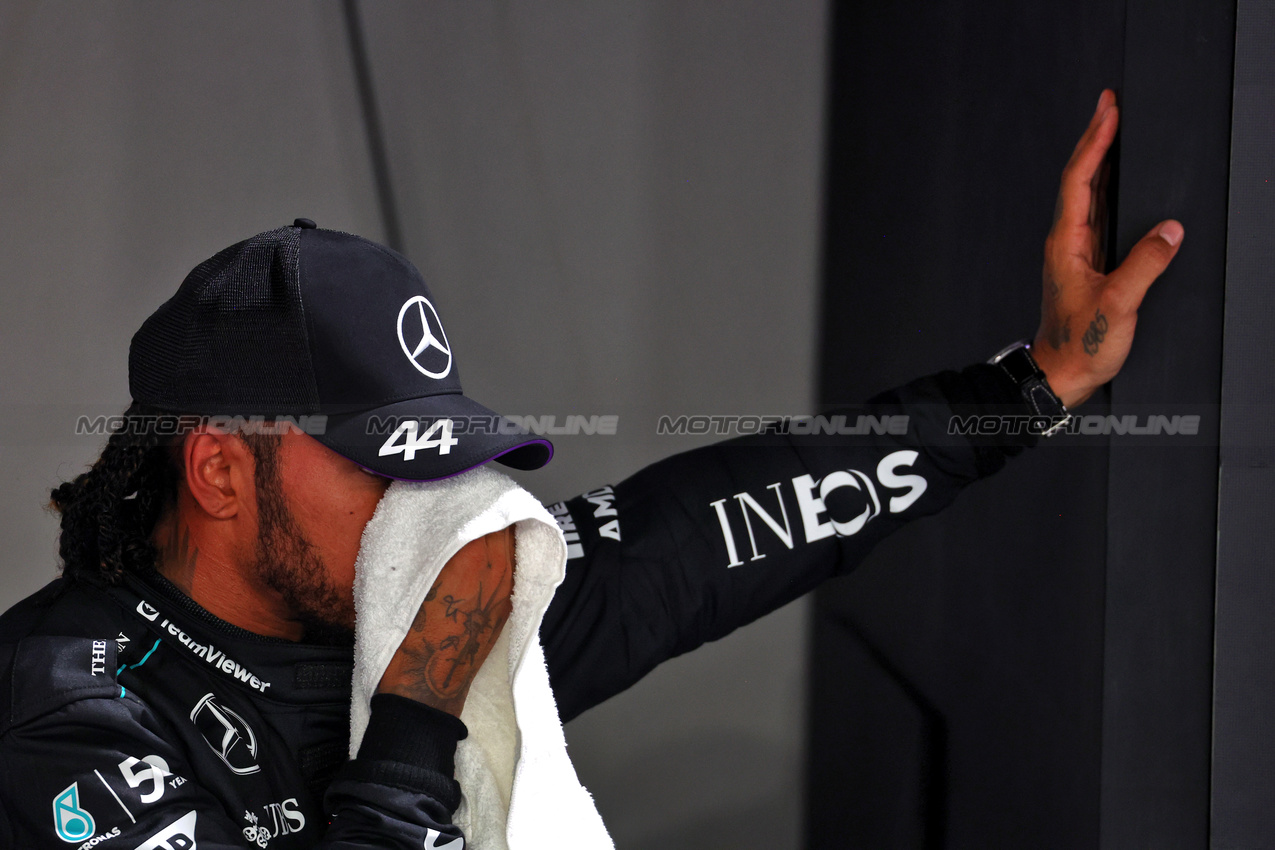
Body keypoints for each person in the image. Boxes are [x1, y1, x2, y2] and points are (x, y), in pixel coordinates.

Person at [0, 89, 1180, 848]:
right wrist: (417, 713)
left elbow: (702, 535)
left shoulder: (409, 593)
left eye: (441, 459)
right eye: (379, 466)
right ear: (217, 472)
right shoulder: (62, 713)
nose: (429, 506)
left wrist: (1026, 389)